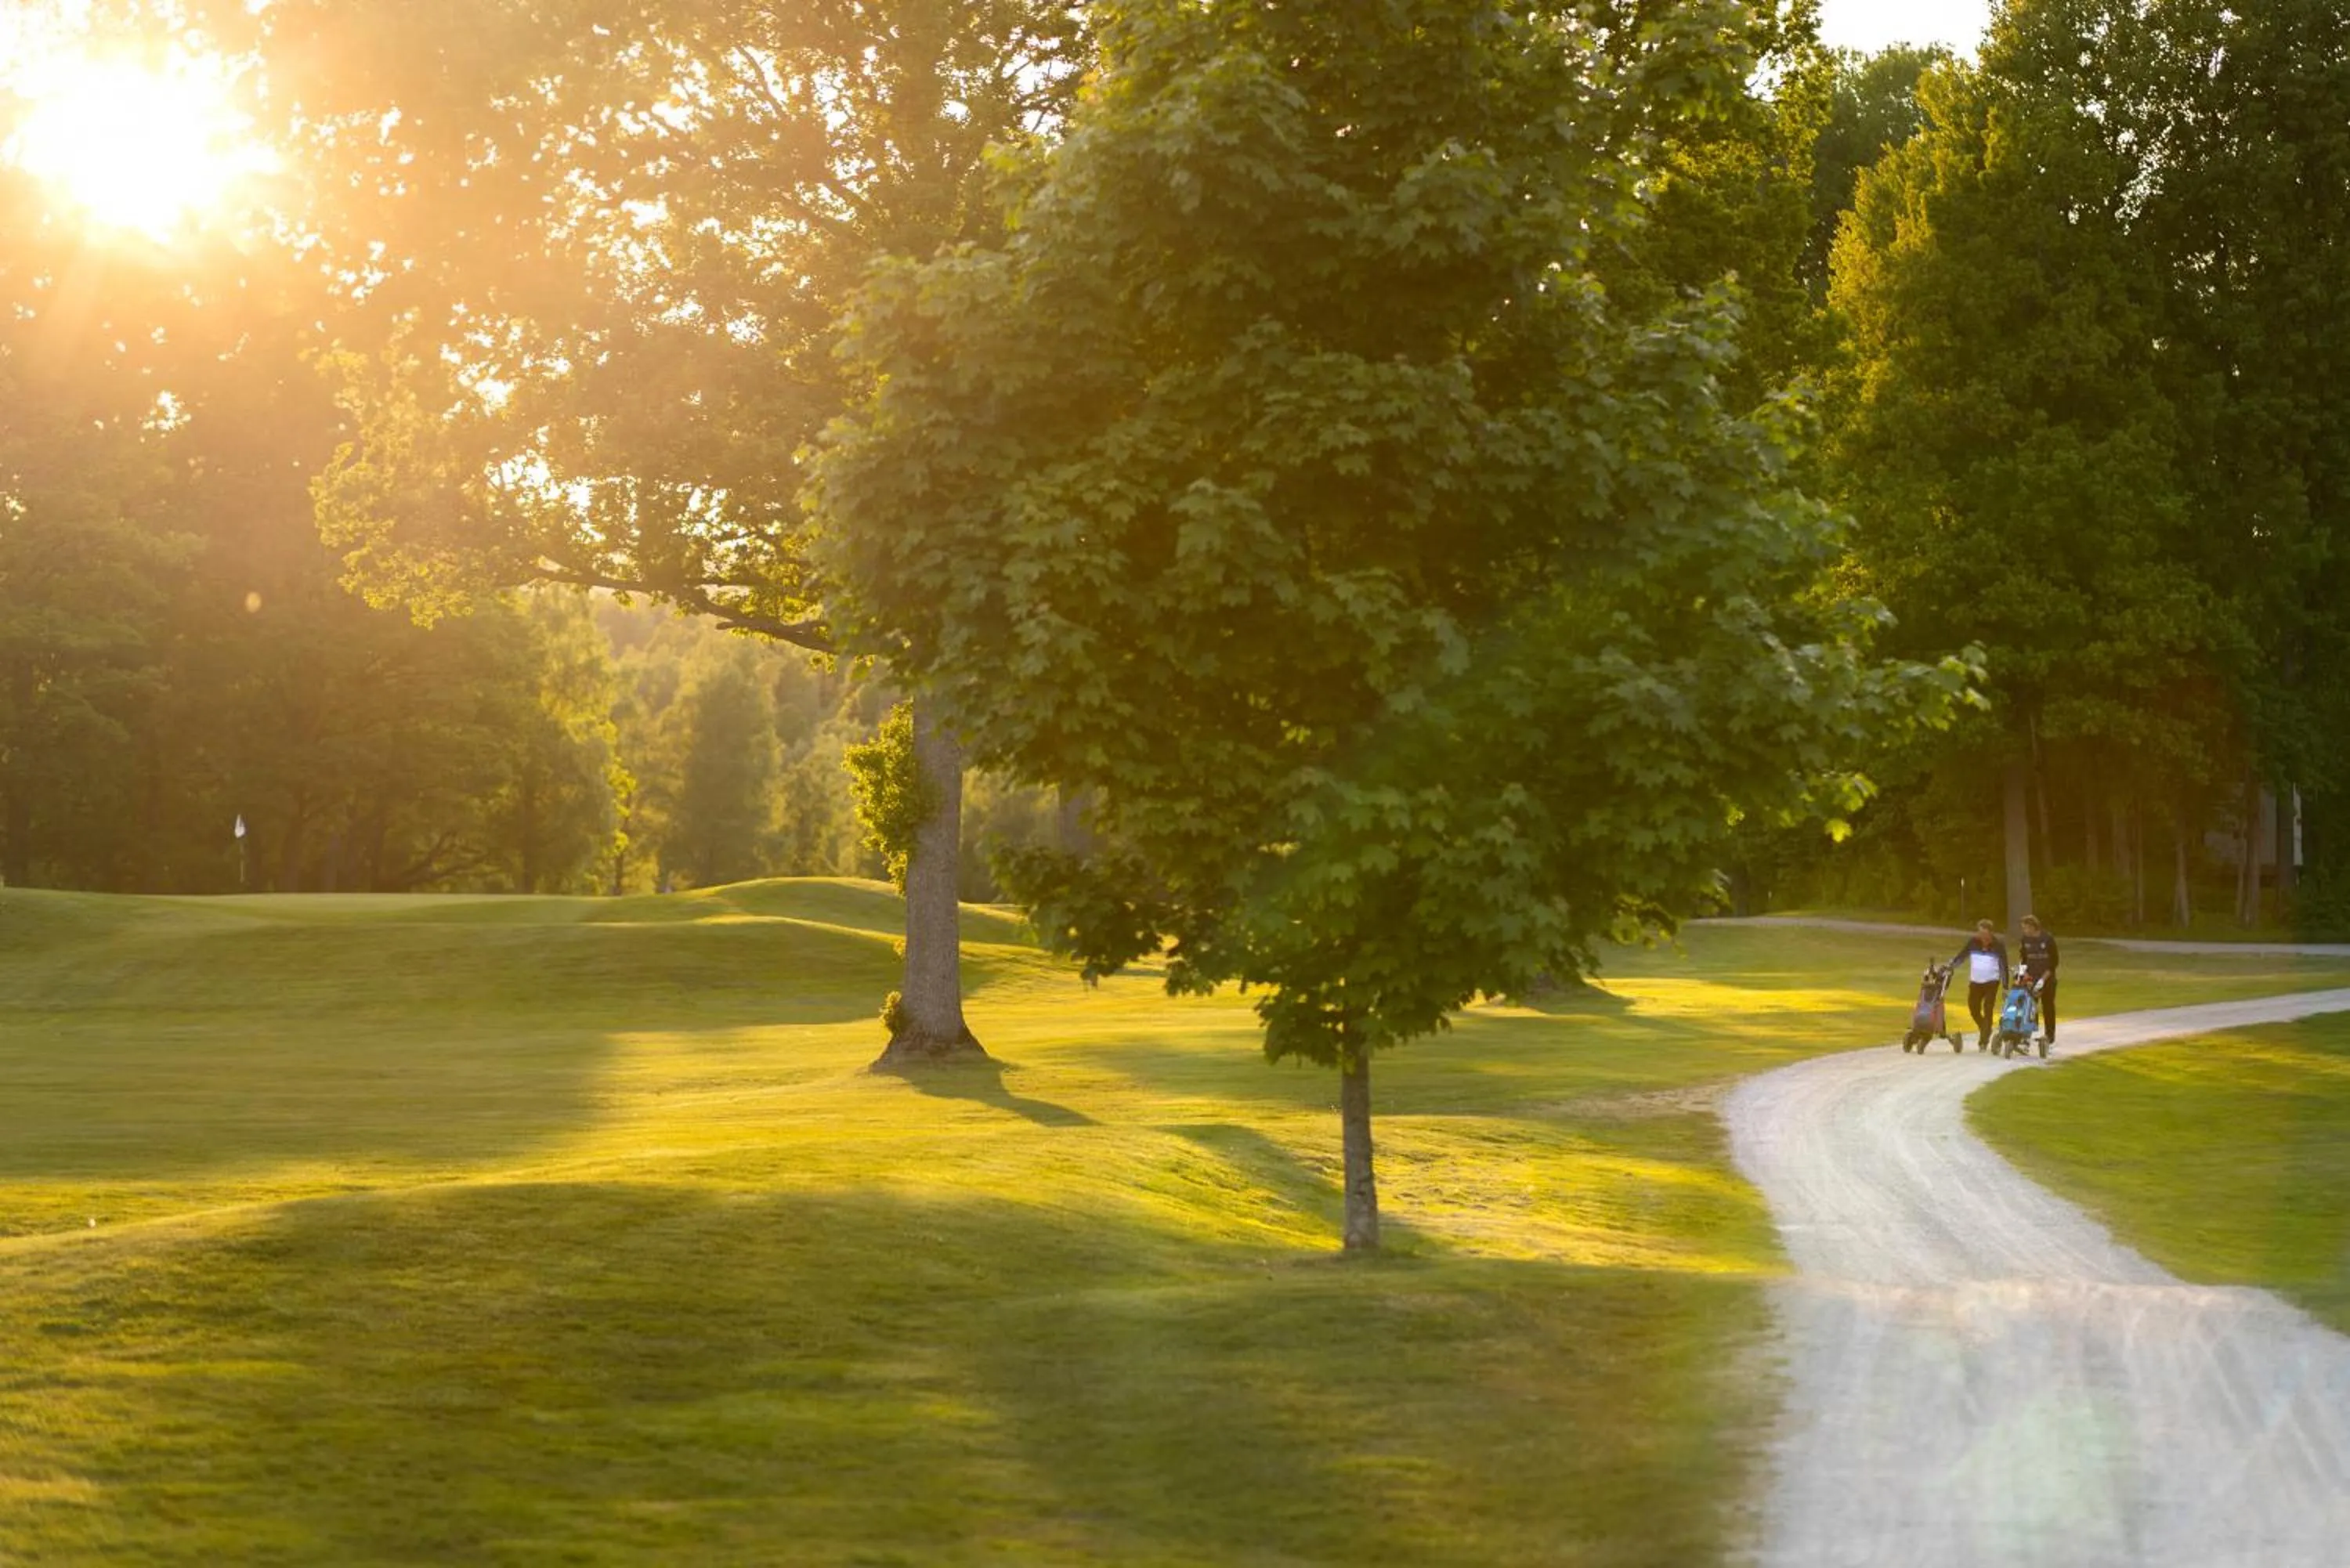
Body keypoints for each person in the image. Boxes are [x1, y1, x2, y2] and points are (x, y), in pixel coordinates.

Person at [1950, 919, 2008, 1049]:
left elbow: (2003, 966)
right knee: (1973, 1008)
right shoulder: (1973, 942)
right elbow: (1961, 956)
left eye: (1984, 933)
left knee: (1988, 1009)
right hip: (1975, 981)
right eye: (1980, 932)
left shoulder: (1998, 945)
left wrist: (2005, 987)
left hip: (1991, 982)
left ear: (1990, 933)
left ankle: (1984, 1040)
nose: (1981, 936)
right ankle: (1985, 1028)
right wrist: (1950, 967)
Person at [2019, 914, 2059, 1046]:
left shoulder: (2048, 939)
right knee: (2029, 1006)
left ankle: (2049, 1035)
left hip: (2047, 979)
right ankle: (2026, 1036)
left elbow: (2054, 963)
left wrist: (2042, 980)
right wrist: (2023, 975)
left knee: (2047, 1006)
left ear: (2033, 927)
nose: (2025, 931)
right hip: (2031, 978)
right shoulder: (2025, 940)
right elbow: (2024, 959)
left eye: (2026, 928)